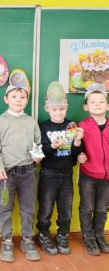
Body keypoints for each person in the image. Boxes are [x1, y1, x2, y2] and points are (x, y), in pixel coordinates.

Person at [0, 78, 43, 263]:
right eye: (14, 96)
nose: (18, 100)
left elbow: (37, 144)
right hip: (7, 174)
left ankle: (27, 240)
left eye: (22, 97)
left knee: (28, 208)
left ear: (27, 100)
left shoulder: (31, 122)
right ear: (6, 99)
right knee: (5, 208)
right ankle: (6, 241)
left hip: (29, 172)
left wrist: (38, 155)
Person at [37, 82, 83, 255]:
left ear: (67, 107)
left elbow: (76, 152)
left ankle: (63, 234)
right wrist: (53, 147)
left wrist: (77, 141)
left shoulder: (71, 125)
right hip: (48, 174)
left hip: (67, 174)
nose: (58, 112)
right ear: (47, 109)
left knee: (66, 208)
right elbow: (42, 151)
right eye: (54, 109)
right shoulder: (43, 127)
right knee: (46, 207)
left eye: (62, 109)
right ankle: (43, 233)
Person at [77, 83, 109, 256]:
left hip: (107, 177)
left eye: (101, 101)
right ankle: (88, 237)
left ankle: (99, 235)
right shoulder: (82, 126)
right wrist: (79, 154)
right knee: (87, 207)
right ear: (86, 106)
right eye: (93, 102)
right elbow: (77, 148)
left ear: (107, 106)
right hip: (88, 175)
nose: (97, 104)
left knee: (102, 208)